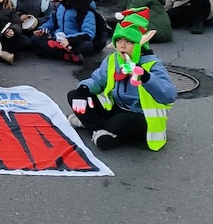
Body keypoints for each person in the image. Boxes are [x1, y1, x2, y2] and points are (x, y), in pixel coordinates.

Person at [67, 10, 177, 150]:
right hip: (115, 107)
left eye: (129, 41)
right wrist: (83, 89)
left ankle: (92, 124)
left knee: (119, 123)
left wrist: (146, 77)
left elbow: (169, 95)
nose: (122, 46)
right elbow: (98, 80)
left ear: (139, 44)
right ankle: (98, 130)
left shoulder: (152, 64)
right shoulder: (113, 59)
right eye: (118, 40)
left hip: (140, 115)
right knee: (74, 95)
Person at [31, 0, 100, 64]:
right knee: (35, 39)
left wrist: (69, 40)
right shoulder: (59, 7)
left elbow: (89, 34)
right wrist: (42, 29)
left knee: (87, 45)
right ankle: (67, 55)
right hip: (58, 38)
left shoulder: (85, 12)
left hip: (73, 41)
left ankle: (53, 51)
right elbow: (52, 22)